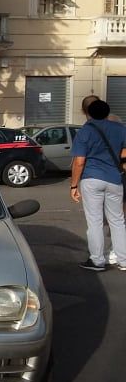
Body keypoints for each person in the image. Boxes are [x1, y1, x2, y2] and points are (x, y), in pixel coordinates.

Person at [70, 99, 126, 271]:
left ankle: (97, 261)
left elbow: (79, 161)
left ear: (89, 112)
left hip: (92, 179)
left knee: (95, 222)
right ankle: (123, 260)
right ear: (107, 112)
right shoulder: (120, 129)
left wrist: (74, 185)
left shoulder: (85, 131)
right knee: (117, 221)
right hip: (115, 179)